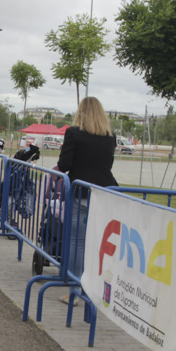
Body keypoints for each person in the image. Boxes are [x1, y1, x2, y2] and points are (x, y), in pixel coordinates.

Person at [56, 96, 118, 306]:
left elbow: (64, 164)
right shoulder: (110, 137)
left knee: (77, 242)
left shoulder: (74, 133)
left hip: (80, 191)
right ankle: (98, 289)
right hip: (105, 193)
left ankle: (75, 289)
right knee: (99, 244)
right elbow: (107, 165)